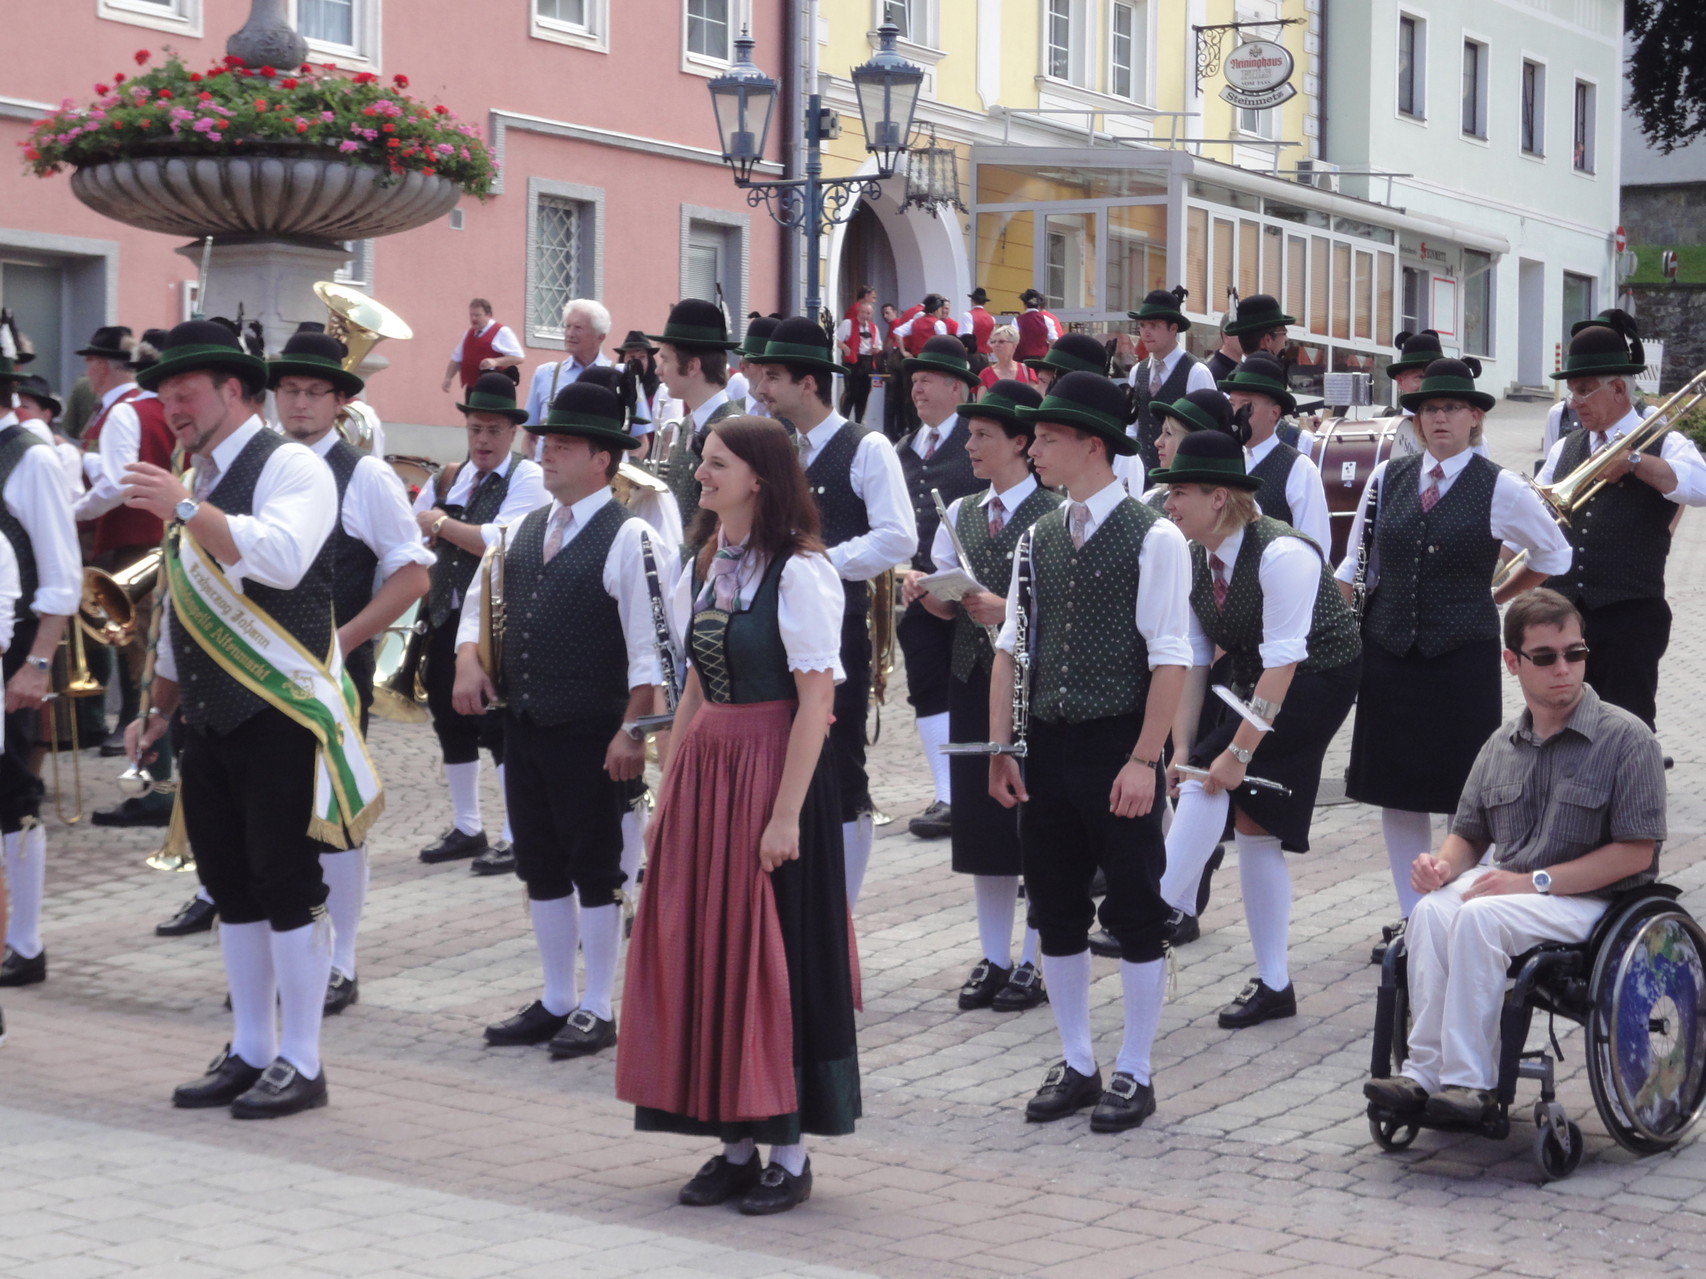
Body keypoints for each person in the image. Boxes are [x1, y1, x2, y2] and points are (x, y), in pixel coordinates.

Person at [617, 415, 856, 1216]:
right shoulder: (709, 560)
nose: (701, 475)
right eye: (701, 464)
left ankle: (788, 1148)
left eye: (715, 465)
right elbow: (692, 683)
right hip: (711, 773)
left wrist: (785, 816)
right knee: (712, 950)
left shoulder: (800, 572)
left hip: (771, 772)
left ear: (758, 477)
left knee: (773, 953)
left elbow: (816, 697)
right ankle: (735, 1143)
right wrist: (668, 789)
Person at [122, 320, 360, 1118]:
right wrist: (157, 707)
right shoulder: (196, 473)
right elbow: (179, 602)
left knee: (285, 877)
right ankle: (252, 1046)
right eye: (163, 398)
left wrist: (186, 503)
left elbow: (282, 557)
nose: (172, 411)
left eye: (183, 395)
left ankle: (303, 1058)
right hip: (212, 715)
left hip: (279, 707)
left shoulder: (291, 464)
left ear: (233, 390)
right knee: (228, 880)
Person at [1362, 588, 1665, 1125]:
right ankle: (1422, 1074)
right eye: (1545, 657)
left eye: (1575, 653)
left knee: (1481, 915)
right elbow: (1469, 834)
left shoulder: (1626, 738)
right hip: (1518, 891)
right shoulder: (1500, 744)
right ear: (1512, 662)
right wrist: (1442, 867)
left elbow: (1636, 852)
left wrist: (1534, 883)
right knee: (1430, 910)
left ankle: (1471, 1084)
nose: (1564, 669)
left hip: (1596, 901)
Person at [988, 370, 1191, 1132]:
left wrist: (1145, 759)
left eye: (1046, 436)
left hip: (1118, 739)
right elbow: (1012, 646)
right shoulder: (1039, 534)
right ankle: (1078, 1060)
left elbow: (1171, 654)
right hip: (1047, 740)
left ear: (1091, 444)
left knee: (1137, 909)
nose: (1033, 447)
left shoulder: (1156, 534)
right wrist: (1003, 744)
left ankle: (1136, 1067)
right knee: (1053, 905)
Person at [1335, 359, 1573, 964]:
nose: (1438, 418)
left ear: (1475, 418)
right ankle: (1414, 921)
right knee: (1398, 791)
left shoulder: (1501, 486)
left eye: (1451, 409)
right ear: (1415, 421)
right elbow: (1356, 566)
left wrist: (1497, 595)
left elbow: (1555, 552)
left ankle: (1468, 914)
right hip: (1389, 650)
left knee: (1467, 795)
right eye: (1427, 410)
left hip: (1460, 654)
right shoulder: (1387, 477)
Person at [453, 381, 662, 1058]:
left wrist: (633, 730)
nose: (545, 453)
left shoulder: (631, 535)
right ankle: (556, 995)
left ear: (603, 459)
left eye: (563, 445)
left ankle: (599, 1003)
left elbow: (651, 648)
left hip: (592, 729)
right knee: (540, 862)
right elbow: (478, 606)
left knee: (595, 866)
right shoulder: (521, 528)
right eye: (545, 441)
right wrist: (467, 661)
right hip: (527, 722)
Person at [1151, 432, 1362, 1026]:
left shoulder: (1283, 552)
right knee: (1228, 799)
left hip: (1318, 677)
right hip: (1253, 674)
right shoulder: (1194, 555)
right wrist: (1185, 746)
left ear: (1219, 498)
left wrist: (1237, 754)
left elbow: (1286, 664)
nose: (1169, 504)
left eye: (1181, 493)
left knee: (1219, 787)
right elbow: (1195, 657)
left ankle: (1161, 908)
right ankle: (1274, 984)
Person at [269, 331, 433, 1014]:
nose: (300, 403)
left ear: (340, 402)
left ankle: (343, 958)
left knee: (334, 814)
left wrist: (344, 640)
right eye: (290, 390)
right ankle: (290, 955)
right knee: (273, 818)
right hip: (259, 671)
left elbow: (414, 574)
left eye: (315, 392)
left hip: (333, 675)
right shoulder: (260, 466)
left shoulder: (365, 474)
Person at [748, 318, 916, 910]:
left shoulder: (865, 446)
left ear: (810, 383)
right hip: (768, 632)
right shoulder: (772, 446)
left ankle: (838, 914)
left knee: (840, 764)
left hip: (835, 631)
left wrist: (817, 565)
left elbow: (898, 537)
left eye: (773, 376)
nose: (761, 386)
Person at [915, 378, 1058, 1012]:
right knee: (982, 828)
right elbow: (948, 613)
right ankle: (994, 956)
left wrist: (1008, 607)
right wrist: (934, 595)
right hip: (974, 679)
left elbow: (1067, 605)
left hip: (1037, 686)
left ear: (1021, 444)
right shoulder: (964, 513)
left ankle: (1036, 958)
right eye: (968, 435)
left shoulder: (1053, 512)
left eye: (982, 436)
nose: (968, 445)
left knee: (1035, 826)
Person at [1537, 322, 1706, 731]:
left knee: (1627, 724)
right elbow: (1537, 511)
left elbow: (1700, 486)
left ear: (1618, 390)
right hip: (1562, 611)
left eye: (1583, 389)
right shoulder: (1566, 446)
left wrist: (1635, 462)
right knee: (1562, 721)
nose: (1573, 402)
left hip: (1629, 612)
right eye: (1572, 390)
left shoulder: (1664, 441)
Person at [413, 373, 548, 872]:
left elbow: (500, 540)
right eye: (475, 430)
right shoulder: (449, 477)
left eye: (493, 431)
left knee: (497, 724)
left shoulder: (527, 478)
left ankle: (517, 832)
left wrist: (441, 526)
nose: (483, 441)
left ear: (512, 433)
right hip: (445, 614)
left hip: (498, 621)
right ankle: (468, 826)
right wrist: (428, 530)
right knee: (449, 719)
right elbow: (412, 530)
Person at [0, 355, 80, 993]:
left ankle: (23, 944)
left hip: (15, 643)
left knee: (11, 796)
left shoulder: (33, 456)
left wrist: (35, 663)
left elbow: (61, 572)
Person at [71, 326, 176, 759]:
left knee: (139, 643)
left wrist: (73, 512)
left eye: (92, 362)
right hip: (157, 536)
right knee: (148, 641)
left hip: (132, 541)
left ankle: (146, 744)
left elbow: (117, 482)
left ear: (102, 366)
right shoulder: (152, 406)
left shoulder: (125, 411)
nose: (89, 370)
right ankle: (144, 734)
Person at [894, 336, 985, 841]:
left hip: (974, 589)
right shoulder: (903, 448)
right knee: (927, 685)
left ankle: (976, 788)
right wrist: (905, 570)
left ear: (957, 387)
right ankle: (947, 793)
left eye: (927, 380)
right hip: (919, 589)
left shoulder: (976, 437)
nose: (917, 389)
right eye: (914, 381)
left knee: (972, 684)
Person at [650, 300, 745, 538]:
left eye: (666, 359)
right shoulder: (685, 426)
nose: (658, 371)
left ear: (692, 366)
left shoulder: (734, 430)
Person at [1220, 354, 1332, 551]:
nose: (1236, 414)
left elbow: (1315, 546)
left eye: (1247, 406)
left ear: (1274, 413)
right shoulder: (1220, 460)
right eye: (1232, 404)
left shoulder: (1299, 469)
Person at [1126, 288, 1216, 472]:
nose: (1146, 333)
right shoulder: (1137, 371)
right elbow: (1132, 428)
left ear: (1173, 328)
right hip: (1141, 475)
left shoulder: (1196, 372)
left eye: (1154, 325)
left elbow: (1209, 432)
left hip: (1182, 475)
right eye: (1142, 326)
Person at [1137, 389, 1236, 509]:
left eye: (1168, 433)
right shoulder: (1151, 499)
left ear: (1195, 444)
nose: (1158, 442)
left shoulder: (1234, 508)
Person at [523, 299, 613, 427]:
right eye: (567, 326)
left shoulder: (619, 376)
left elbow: (640, 441)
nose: (570, 334)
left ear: (600, 337)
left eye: (578, 328)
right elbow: (530, 435)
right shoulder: (545, 374)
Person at [12, 376, 83, 500]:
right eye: (13, 406)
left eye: (24, 406)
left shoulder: (65, 454)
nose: (17, 412)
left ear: (46, 415)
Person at [443, 298, 523, 393]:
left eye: (477, 315)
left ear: (489, 315)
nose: (473, 319)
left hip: (493, 389)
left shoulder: (502, 332)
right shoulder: (469, 334)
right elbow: (456, 359)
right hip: (472, 388)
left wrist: (496, 362)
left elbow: (519, 357)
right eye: (471, 315)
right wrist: (448, 378)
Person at [836, 295, 882, 424]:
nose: (865, 315)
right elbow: (837, 338)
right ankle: (843, 421)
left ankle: (858, 422)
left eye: (868, 313)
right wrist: (845, 348)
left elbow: (878, 345)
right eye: (863, 312)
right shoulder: (848, 323)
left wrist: (876, 349)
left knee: (864, 394)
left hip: (867, 361)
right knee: (851, 393)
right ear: (858, 312)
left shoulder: (874, 328)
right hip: (852, 361)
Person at [1221, 294, 1294, 369]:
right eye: (1284, 333)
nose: (1286, 339)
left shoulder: (1237, 375)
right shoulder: (1268, 377)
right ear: (1267, 340)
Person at [981, 324, 1038, 390]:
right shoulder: (985, 374)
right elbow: (981, 400)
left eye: (1001, 341)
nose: (996, 345)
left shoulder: (1027, 372)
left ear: (1014, 345)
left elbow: (1034, 399)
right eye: (993, 342)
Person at [1014, 288, 1062, 363]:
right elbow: (1053, 340)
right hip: (1041, 360)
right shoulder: (1047, 320)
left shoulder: (1017, 320)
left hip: (1021, 359)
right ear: (1038, 304)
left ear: (1025, 305)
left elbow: (1013, 339)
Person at [960, 287, 996, 369]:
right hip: (984, 357)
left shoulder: (967, 315)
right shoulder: (991, 319)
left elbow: (966, 336)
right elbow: (992, 339)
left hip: (971, 356)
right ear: (984, 303)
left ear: (972, 301)